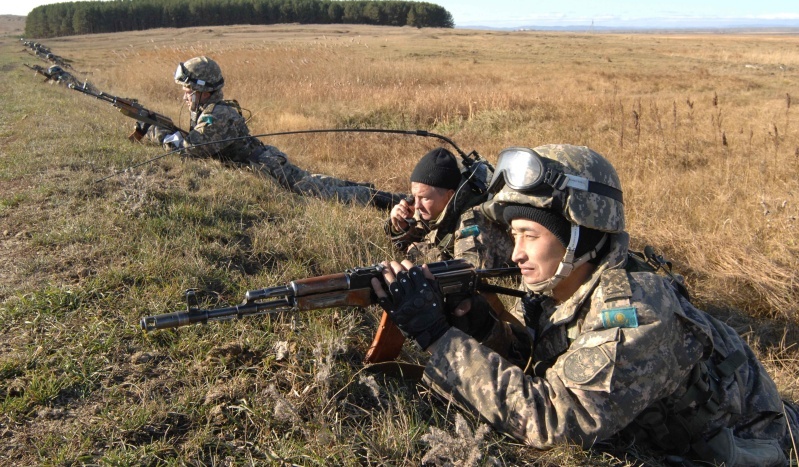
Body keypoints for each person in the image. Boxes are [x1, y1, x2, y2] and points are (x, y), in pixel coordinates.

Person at [371, 144, 799, 466]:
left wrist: (437, 337)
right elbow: (543, 360)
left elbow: (556, 420)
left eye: (530, 236)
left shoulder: (635, 311)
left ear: (581, 235)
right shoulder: (562, 285)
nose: (515, 254)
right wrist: (480, 325)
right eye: (514, 235)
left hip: (760, 445)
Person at [130, 56, 402, 209]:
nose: (185, 97)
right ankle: (370, 192)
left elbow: (192, 150)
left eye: (188, 91)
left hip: (267, 166)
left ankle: (386, 201)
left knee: (321, 193)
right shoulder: (211, 110)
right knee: (318, 182)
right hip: (267, 160)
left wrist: (157, 133)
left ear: (203, 89)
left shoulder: (217, 115)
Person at [365, 147, 516, 363]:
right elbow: (413, 233)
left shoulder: (472, 220)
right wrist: (398, 225)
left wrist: (421, 252)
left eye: (423, 198)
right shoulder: (435, 205)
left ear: (450, 195)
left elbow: (468, 273)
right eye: (413, 196)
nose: (416, 205)